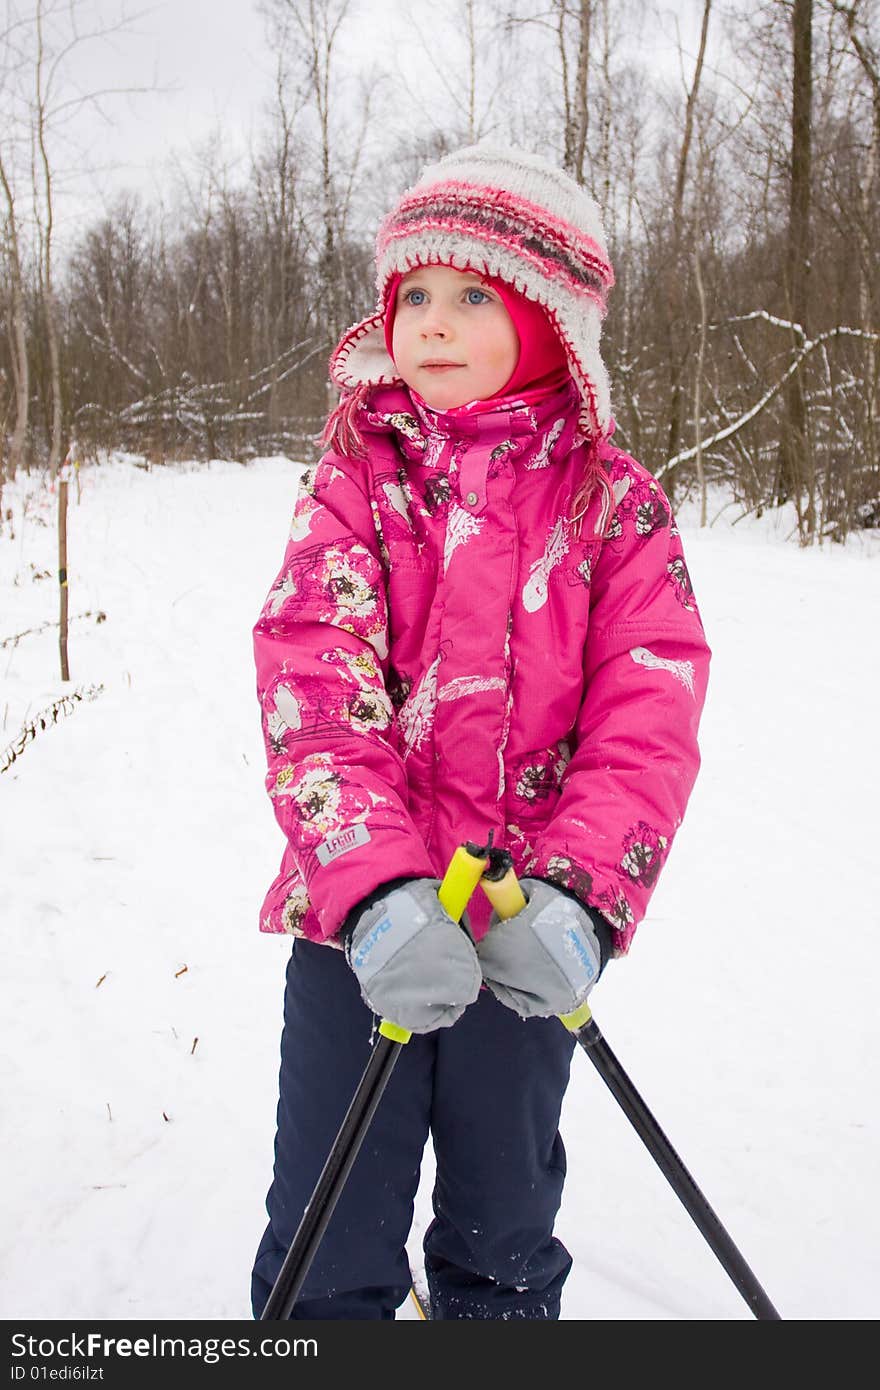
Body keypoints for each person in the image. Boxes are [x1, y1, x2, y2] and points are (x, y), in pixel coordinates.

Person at [250, 143, 711, 1321]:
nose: (430, 322)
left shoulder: (613, 507)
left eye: (472, 295)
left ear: (552, 322)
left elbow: (647, 715)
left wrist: (582, 896)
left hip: (521, 931)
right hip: (359, 934)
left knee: (502, 1231)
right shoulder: (356, 482)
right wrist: (370, 889)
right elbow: (313, 686)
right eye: (412, 293)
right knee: (328, 1222)